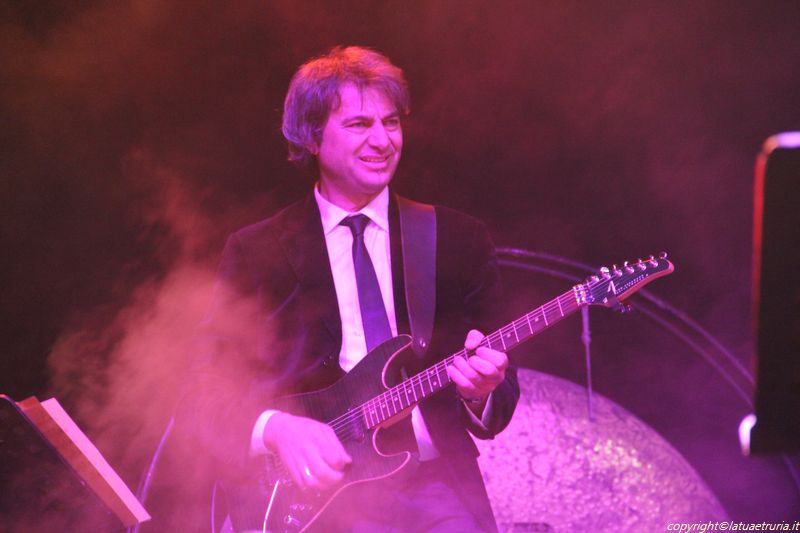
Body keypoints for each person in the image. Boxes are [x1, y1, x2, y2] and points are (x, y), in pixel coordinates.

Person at [178, 45, 519, 533]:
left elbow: (501, 395)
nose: (383, 140)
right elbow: (202, 390)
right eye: (360, 125)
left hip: (434, 487)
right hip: (316, 502)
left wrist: (482, 392)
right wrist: (276, 429)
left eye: (392, 122)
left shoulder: (456, 239)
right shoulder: (258, 251)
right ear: (312, 137)